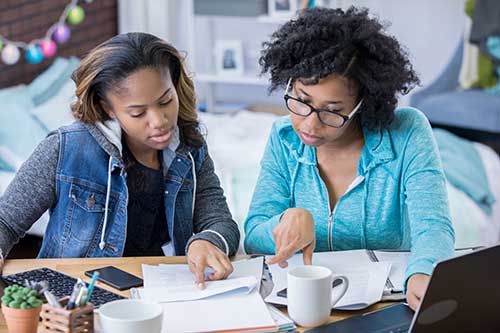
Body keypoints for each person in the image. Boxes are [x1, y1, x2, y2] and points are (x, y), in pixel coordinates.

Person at [244, 7, 455, 310]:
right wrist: (283, 223)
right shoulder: (283, 137)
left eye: (331, 111)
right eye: (302, 101)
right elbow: (253, 235)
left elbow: (433, 227)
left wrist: (423, 272)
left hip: (388, 304)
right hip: (306, 304)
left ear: (362, 104)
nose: (309, 125)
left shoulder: (408, 132)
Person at [0, 32, 239, 288]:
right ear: (108, 109)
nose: (159, 121)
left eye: (166, 100)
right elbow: (6, 220)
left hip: (161, 293)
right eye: (138, 112)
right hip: (76, 299)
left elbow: (221, 221)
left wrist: (208, 241)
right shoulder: (65, 148)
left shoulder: (190, 150)